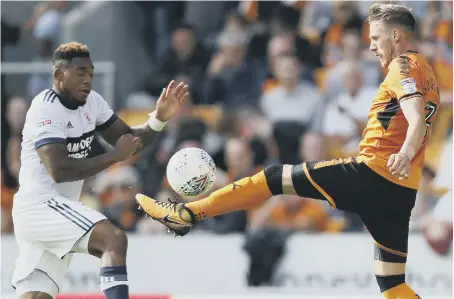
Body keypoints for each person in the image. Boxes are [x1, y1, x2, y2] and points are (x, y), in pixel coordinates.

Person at [137, 4, 440, 299]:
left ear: (397, 36)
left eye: (376, 38)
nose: (371, 46)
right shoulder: (427, 73)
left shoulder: (403, 66)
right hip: (400, 192)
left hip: (372, 173)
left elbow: (414, 116)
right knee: (392, 284)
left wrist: (404, 151)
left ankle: (186, 214)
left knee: (272, 177)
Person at [12, 41, 188, 299]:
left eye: (91, 74)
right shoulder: (45, 108)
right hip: (41, 207)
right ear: (59, 75)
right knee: (114, 239)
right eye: (80, 73)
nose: (88, 80)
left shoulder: (92, 103)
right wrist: (115, 157)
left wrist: (159, 119)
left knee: (37, 296)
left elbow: (129, 141)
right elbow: (59, 170)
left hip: (55, 211)